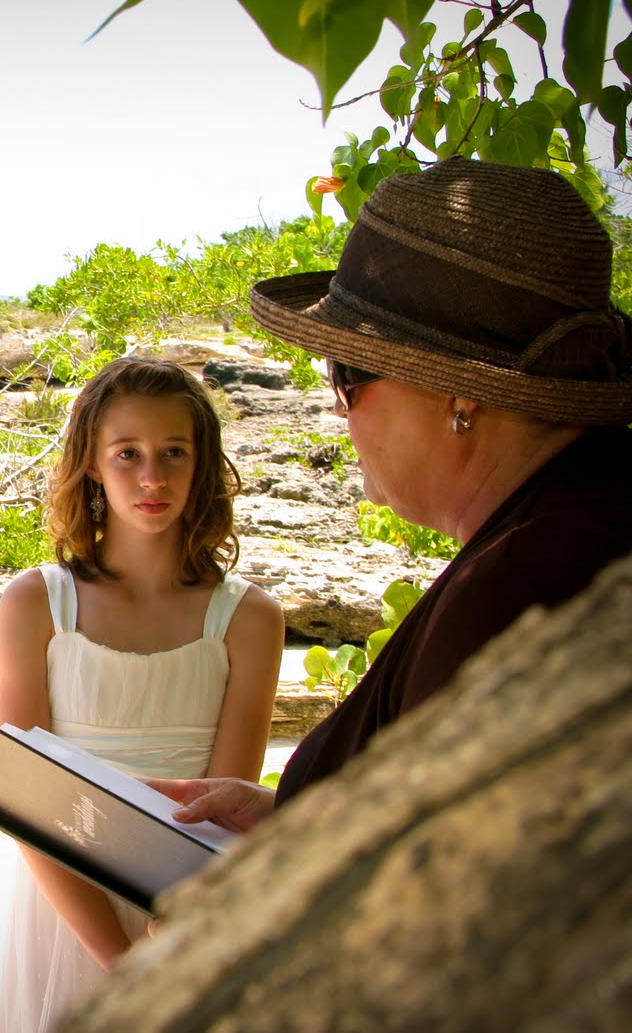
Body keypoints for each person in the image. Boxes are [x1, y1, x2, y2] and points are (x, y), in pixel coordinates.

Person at [153, 156, 632, 834]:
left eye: (347, 373)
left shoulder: (523, 585)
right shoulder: (576, 513)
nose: (339, 408)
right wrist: (296, 821)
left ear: (461, 393)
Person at [0, 357, 285, 1032]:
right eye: (128, 454)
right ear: (92, 462)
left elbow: (225, 805)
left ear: (201, 462)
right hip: (66, 909)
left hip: (189, 915)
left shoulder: (249, 617)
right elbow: (21, 796)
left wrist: (172, 943)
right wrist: (120, 960)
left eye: (173, 452)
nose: (152, 477)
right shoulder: (36, 602)